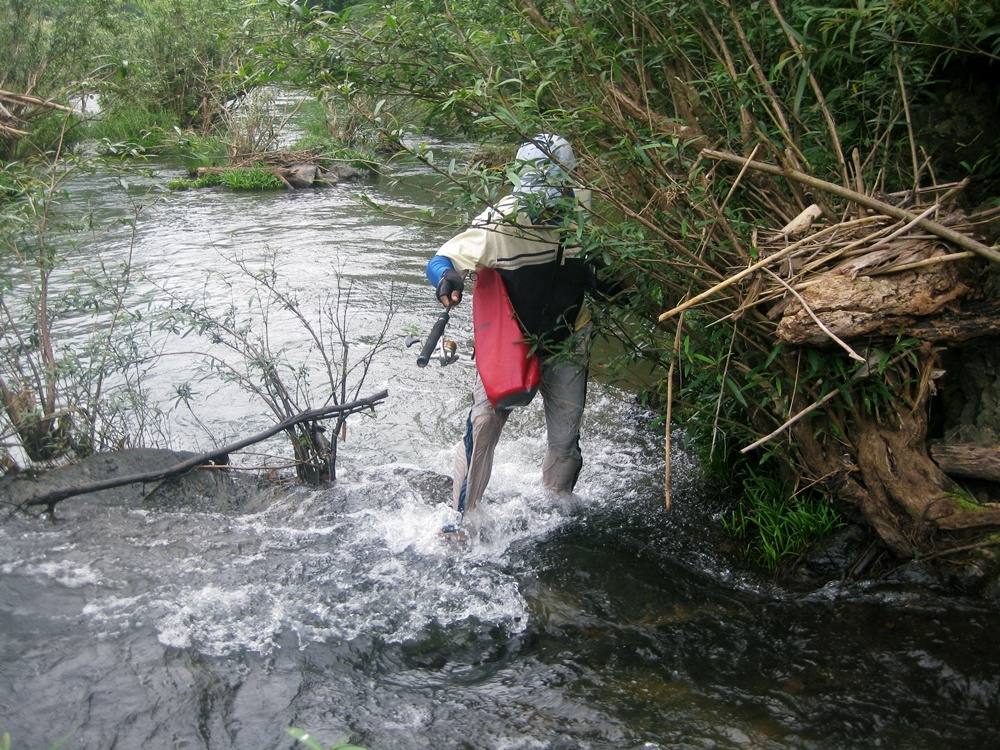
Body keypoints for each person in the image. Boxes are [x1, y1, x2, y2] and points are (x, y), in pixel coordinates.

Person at [425, 134, 597, 539]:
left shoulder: (582, 206)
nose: (544, 207)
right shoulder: (497, 221)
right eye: (537, 196)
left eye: (553, 194)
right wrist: (447, 280)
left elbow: (592, 258)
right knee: (484, 424)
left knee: (566, 438)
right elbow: (441, 258)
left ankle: (555, 513)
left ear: (569, 182)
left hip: (570, 334)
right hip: (511, 341)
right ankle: (460, 519)